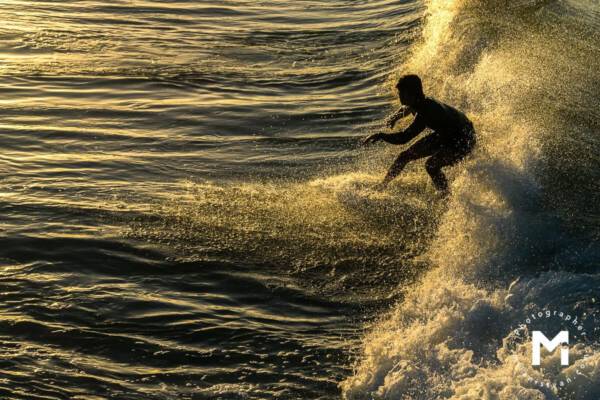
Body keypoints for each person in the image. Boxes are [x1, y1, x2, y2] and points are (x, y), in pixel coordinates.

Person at [362, 74, 476, 195]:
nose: (399, 96)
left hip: (463, 139)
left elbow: (403, 138)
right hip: (447, 134)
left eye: (401, 93)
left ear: (412, 94)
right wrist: (396, 117)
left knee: (431, 165)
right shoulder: (422, 101)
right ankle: (382, 186)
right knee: (404, 157)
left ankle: (446, 197)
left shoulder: (426, 112)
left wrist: (381, 135)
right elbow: (407, 108)